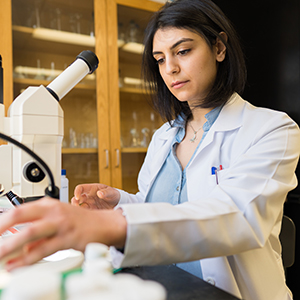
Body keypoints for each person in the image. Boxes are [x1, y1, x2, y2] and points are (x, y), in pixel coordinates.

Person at [0, 0, 299, 299]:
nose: (170, 68)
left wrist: (109, 225)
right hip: (166, 286)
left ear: (219, 48)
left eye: (183, 51)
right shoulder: (164, 136)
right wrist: (119, 203)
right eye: (159, 58)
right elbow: (159, 206)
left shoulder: (271, 129)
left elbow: (236, 215)